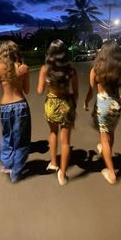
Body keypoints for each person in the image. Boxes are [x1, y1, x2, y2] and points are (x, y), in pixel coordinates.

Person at [84, 39, 121, 184]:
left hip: (103, 106)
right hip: (116, 105)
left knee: (104, 138)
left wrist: (86, 102)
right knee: (110, 134)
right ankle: (106, 151)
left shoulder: (96, 69)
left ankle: (111, 173)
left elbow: (90, 91)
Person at [0, 40, 31, 183]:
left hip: (4, 107)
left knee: (7, 136)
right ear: (16, 51)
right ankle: (16, 172)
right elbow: (27, 90)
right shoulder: (23, 67)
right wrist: (24, 73)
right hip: (20, 105)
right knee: (21, 141)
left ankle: (6, 164)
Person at [37, 39, 78, 186]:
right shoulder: (71, 71)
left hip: (51, 105)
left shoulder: (45, 69)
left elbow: (40, 91)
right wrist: (72, 106)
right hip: (66, 104)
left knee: (53, 133)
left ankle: (54, 163)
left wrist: (47, 84)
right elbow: (76, 93)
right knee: (65, 140)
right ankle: (62, 172)